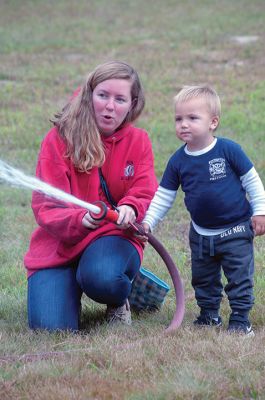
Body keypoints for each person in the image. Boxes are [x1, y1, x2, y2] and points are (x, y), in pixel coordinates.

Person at [24, 61, 157, 331]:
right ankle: (74, 283)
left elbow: (144, 189)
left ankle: (117, 292)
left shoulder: (138, 141)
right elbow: (45, 207)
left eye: (120, 99)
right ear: (89, 95)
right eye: (103, 95)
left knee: (102, 278)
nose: (110, 106)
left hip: (112, 237)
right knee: (50, 328)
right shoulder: (58, 139)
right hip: (60, 245)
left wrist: (131, 207)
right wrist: (80, 220)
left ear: (132, 104)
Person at [142, 85, 265, 336]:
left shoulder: (228, 150)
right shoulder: (178, 161)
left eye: (192, 118)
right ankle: (209, 315)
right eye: (178, 119)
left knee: (239, 279)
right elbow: (164, 196)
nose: (183, 124)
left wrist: (260, 210)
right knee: (203, 279)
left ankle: (241, 320)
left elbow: (252, 181)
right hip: (201, 235)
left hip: (236, 230)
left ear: (213, 122)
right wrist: (148, 222)